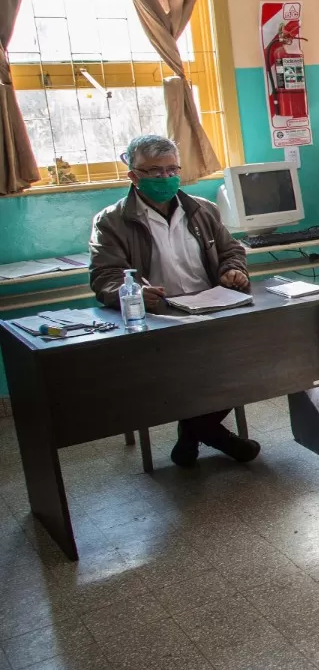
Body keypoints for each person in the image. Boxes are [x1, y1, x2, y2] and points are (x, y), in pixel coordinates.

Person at [88, 135, 259, 467]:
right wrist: (135, 294)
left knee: (245, 363)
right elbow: (105, 276)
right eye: (154, 172)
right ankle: (217, 437)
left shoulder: (202, 210)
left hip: (211, 309)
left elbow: (231, 251)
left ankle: (192, 433)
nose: (165, 178)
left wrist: (233, 271)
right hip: (158, 320)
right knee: (179, 377)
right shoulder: (111, 221)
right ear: (134, 176)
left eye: (171, 170)